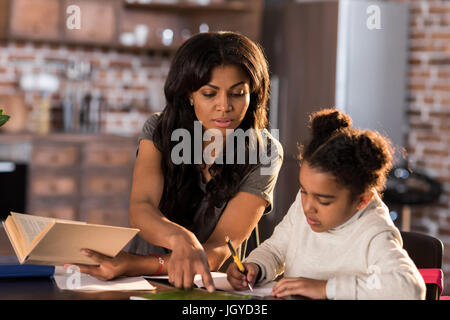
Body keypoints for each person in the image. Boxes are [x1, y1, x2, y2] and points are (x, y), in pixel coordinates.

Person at [69, 31, 283, 291]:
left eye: (237, 93)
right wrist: (182, 238)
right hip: (136, 284)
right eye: (209, 93)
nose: (224, 106)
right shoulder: (159, 129)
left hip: (203, 288)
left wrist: (133, 264)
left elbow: (219, 248)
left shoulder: (266, 151)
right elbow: (141, 208)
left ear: (253, 94)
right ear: (189, 94)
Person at [226, 108, 426, 300]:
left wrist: (325, 288)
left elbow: (410, 288)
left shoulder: (374, 230)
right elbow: (276, 249)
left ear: (362, 200)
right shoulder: (308, 206)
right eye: (304, 191)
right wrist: (255, 266)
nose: (307, 207)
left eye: (323, 200)